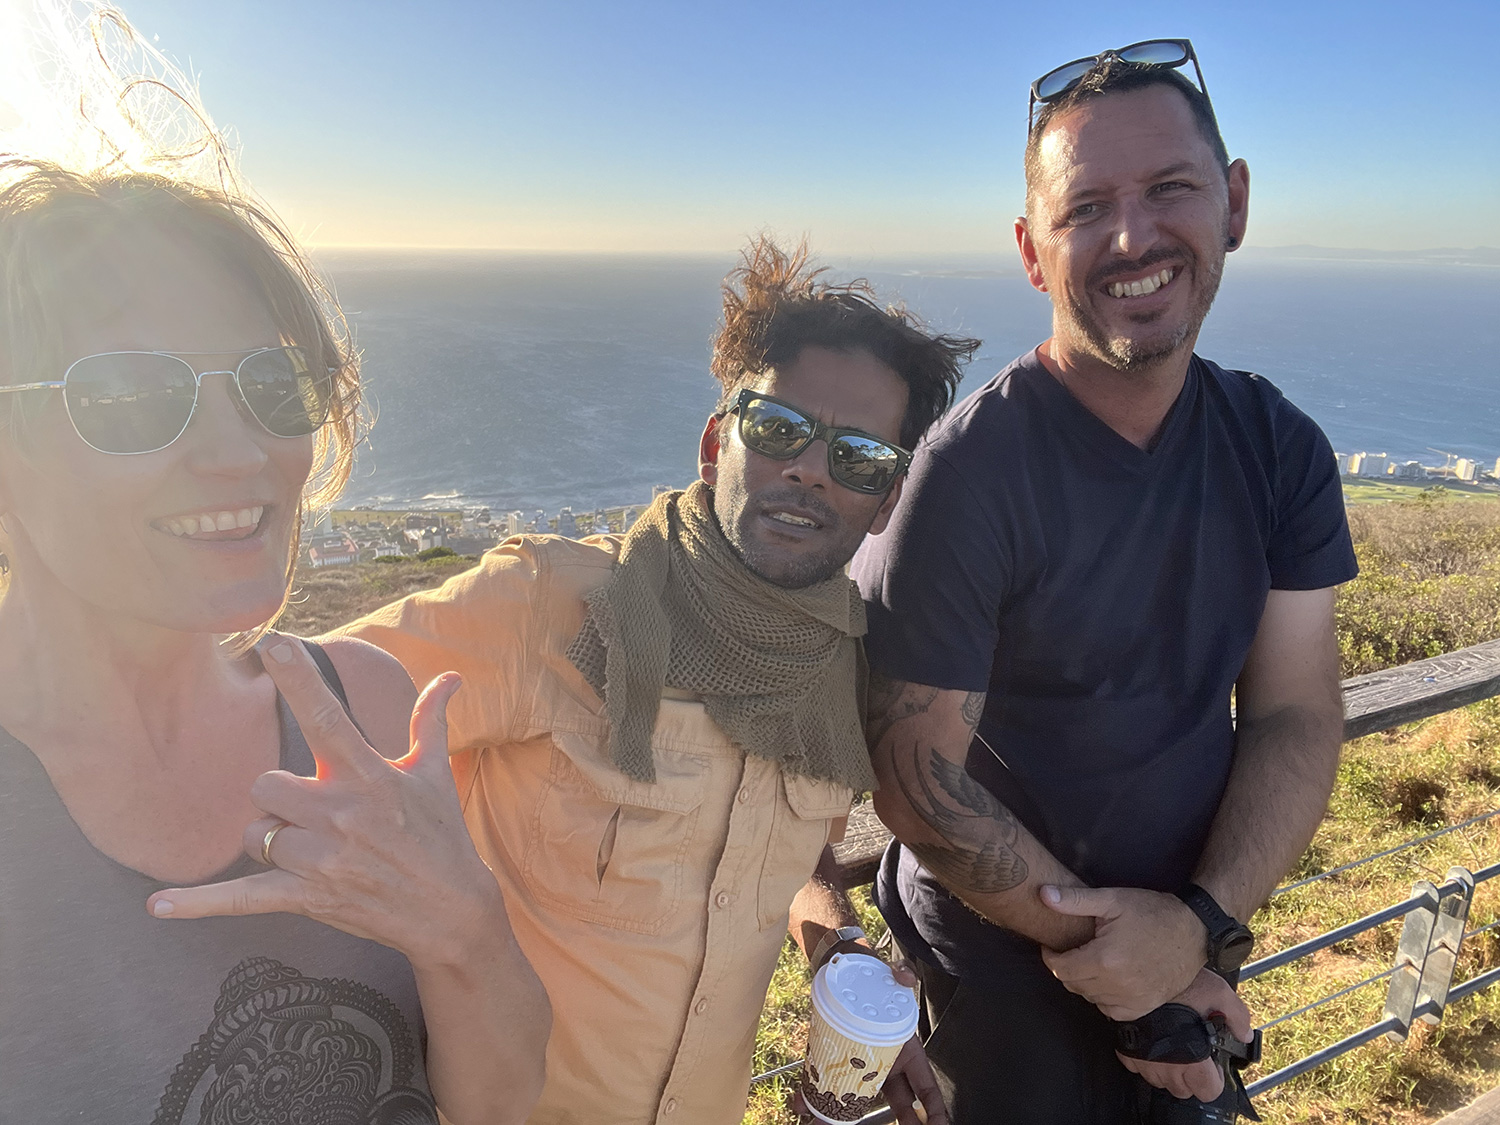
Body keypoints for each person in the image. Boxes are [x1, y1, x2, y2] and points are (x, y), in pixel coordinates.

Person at [343, 237, 979, 1125]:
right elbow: (281, 720)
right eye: (778, 429)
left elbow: (784, 858)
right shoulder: (547, 606)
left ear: (886, 497)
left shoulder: (837, 673)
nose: (807, 468)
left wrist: (836, 942)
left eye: (859, 458)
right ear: (718, 439)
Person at [852, 40, 1357, 1124]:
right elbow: (915, 781)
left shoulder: (1278, 448)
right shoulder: (967, 473)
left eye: (1170, 189)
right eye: (1087, 209)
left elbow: (1295, 710)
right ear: (1034, 253)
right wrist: (1140, 961)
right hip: (993, 976)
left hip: (1189, 934)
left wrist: (1201, 926)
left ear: (1234, 203)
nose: (1134, 237)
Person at [0, 158, 550, 1121]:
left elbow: (499, 1102)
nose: (241, 452)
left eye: (273, 384)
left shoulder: (365, 714)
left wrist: (465, 933)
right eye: (128, 395)